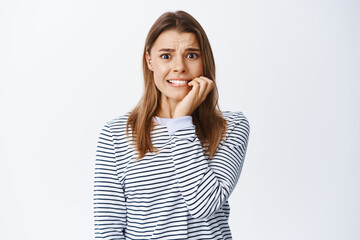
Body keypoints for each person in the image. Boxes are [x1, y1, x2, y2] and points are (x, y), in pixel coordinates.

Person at [94, 10, 250, 239]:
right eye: (166, 56)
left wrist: (181, 121)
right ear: (150, 60)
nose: (180, 67)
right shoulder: (116, 134)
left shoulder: (231, 127)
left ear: (205, 60)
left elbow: (204, 205)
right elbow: (109, 230)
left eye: (192, 55)